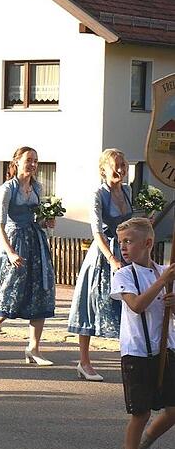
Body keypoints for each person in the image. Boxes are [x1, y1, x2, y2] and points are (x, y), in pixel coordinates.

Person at [109, 217, 175, 449]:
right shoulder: (124, 275)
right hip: (137, 352)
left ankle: (143, 447)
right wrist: (162, 283)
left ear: (148, 243)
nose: (123, 247)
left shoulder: (165, 272)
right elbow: (136, 305)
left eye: (129, 241)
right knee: (141, 412)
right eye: (121, 242)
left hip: (166, 349)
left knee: (172, 410)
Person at [0, 146, 56, 366]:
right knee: (10, 294)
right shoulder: (8, 189)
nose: (33, 164)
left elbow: (38, 219)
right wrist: (10, 252)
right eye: (29, 160)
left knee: (40, 292)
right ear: (17, 162)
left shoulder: (37, 187)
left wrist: (47, 222)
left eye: (35, 161)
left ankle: (33, 348)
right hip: (15, 243)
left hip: (36, 242)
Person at [68, 149, 133, 382]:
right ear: (103, 169)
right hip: (103, 255)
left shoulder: (127, 190)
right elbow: (96, 231)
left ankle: (130, 359)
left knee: (128, 306)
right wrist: (112, 259)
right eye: (116, 165)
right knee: (91, 305)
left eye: (123, 165)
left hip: (126, 251)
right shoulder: (98, 194)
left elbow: (129, 224)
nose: (121, 169)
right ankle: (84, 362)